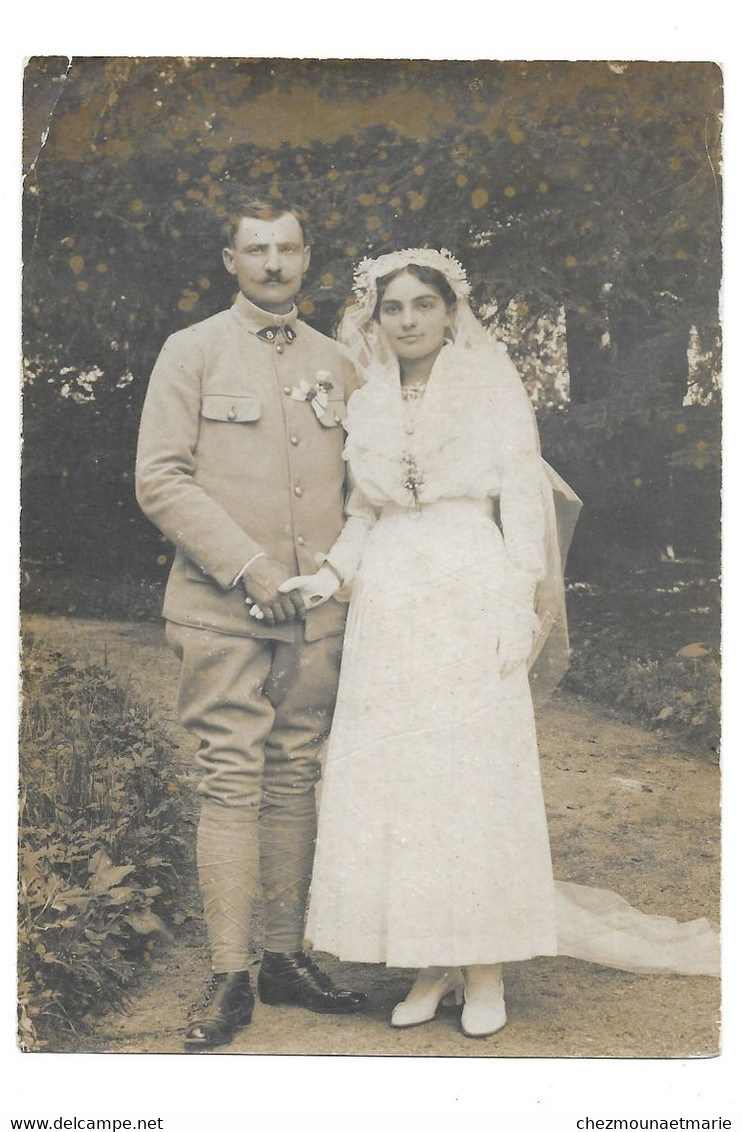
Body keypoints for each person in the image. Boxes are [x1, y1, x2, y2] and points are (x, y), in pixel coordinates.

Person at [279, 248, 720, 1040]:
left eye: (424, 305)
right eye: (393, 308)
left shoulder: (490, 385)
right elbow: (364, 511)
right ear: (374, 319)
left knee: (470, 777)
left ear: (452, 312)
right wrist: (331, 577)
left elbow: (522, 499)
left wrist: (521, 606)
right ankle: (427, 962)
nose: (408, 320)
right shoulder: (370, 397)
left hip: (468, 584)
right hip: (390, 602)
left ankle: (484, 968)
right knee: (402, 779)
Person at [135, 195, 366, 1051]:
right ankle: (229, 973)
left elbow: (361, 486)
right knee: (230, 779)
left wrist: (330, 582)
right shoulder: (190, 352)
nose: (274, 264)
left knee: (295, 773)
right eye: (256, 249)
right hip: (222, 609)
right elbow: (160, 477)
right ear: (229, 261)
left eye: (289, 249)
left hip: (315, 616)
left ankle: (281, 956)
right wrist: (250, 567)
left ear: (308, 259)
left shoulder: (341, 364)